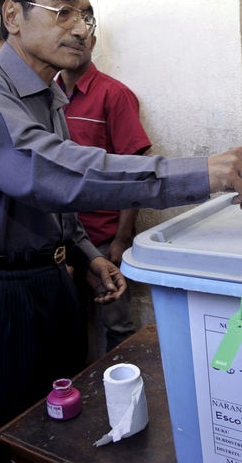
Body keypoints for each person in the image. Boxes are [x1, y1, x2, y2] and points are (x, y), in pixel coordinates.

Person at [0, 0, 242, 463]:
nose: (80, 27)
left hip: (52, 284)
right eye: (63, 11)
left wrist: (85, 253)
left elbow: (55, 200)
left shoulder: (48, 97)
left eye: (87, 15)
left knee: (59, 430)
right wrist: (205, 171)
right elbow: (51, 173)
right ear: (13, 15)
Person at [56, 33, 151, 355]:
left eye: (81, 34)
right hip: (58, 237)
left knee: (117, 326)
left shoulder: (114, 94)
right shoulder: (44, 95)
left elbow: (134, 172)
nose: (73, 41)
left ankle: (121, 395)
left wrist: (122, 239)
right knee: (65, 326)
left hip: (102, 238)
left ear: (93, 39)